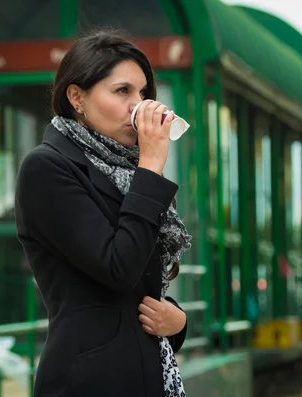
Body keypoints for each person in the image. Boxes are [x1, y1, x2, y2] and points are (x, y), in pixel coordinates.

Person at [14, 30, 192, 397]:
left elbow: (140, 277)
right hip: (88, 382)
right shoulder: (47, 168)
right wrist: (151, 167)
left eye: (144, 93)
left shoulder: (128, 170)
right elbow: (117, 267)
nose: (139, 105)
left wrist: (176, 320)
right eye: (122, 91)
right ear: (76, 97)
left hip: (145, 374)